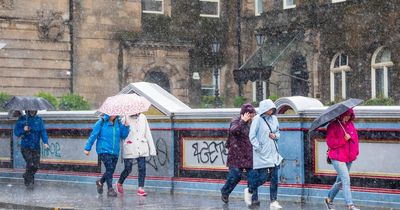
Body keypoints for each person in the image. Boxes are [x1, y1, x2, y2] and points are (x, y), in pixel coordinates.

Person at [247, 99, 283, 209]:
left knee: (274, 178)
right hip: (262, 154)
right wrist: (258, 148)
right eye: (269, 109)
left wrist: (275, 136)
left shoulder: (275, 119)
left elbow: (278, 133)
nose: (271, 111)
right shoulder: (257, 119)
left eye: (272, 109)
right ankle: (250, 190)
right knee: (263, 177)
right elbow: (252, 136)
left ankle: (274, 201)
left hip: (274, 153)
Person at [84, 114, 129, 197]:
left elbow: (124, 135)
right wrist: (87, 148)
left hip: (115, 151)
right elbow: (93, 135)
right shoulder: (101, 122)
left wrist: (126, 126)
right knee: (110, 168)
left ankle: (100, 182)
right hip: (103, 150)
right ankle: (110, 189)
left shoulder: (118, 123)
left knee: (110, 170)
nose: (114, 114)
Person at [220, 103, 257, 205]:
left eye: (252, 114)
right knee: (235, 176)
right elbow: (234, 130)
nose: (251, 116)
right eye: (249, 114)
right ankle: (225, 191)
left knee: (253, 177)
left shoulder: (254, 122)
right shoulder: (236, 120)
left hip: (250, 154)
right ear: (244, 113)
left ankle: (253, 199)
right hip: (236, 154)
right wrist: (243, 121)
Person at [324, 108, 360, 210]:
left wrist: (356, 152)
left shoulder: (350, 125)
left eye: (349, 115)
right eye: (346, 115)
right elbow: (331, 143)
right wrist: (343, 139)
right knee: (346, 180)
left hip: (349, 157)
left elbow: (355, 139)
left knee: (339, 181)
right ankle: (350, 205)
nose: (347, 117)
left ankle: (329, 199)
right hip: (337, 157)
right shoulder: (333, 125)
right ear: (341, 115)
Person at [116, 113, 156, 196]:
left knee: (142, 168)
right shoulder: (124, 118)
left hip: (141, 146)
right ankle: (120, 182)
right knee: (128, 168)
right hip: (130, 146)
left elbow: (147, 133)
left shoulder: (143, 117)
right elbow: (122, 135)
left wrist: (152, 149)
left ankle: (140, 188)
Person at [14, 110, 49, 188]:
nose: (33, 111)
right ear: (28, 110)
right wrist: (24, 129)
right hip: (25, 147)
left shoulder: (39, 119)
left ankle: (27, 176)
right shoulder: (23, 119)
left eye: (34, 109)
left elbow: (43, 131)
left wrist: (45, 142)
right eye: (31, 109)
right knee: (30, 163)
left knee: (36, 166)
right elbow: (16, 132)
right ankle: (29, 182)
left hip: (36, 147)